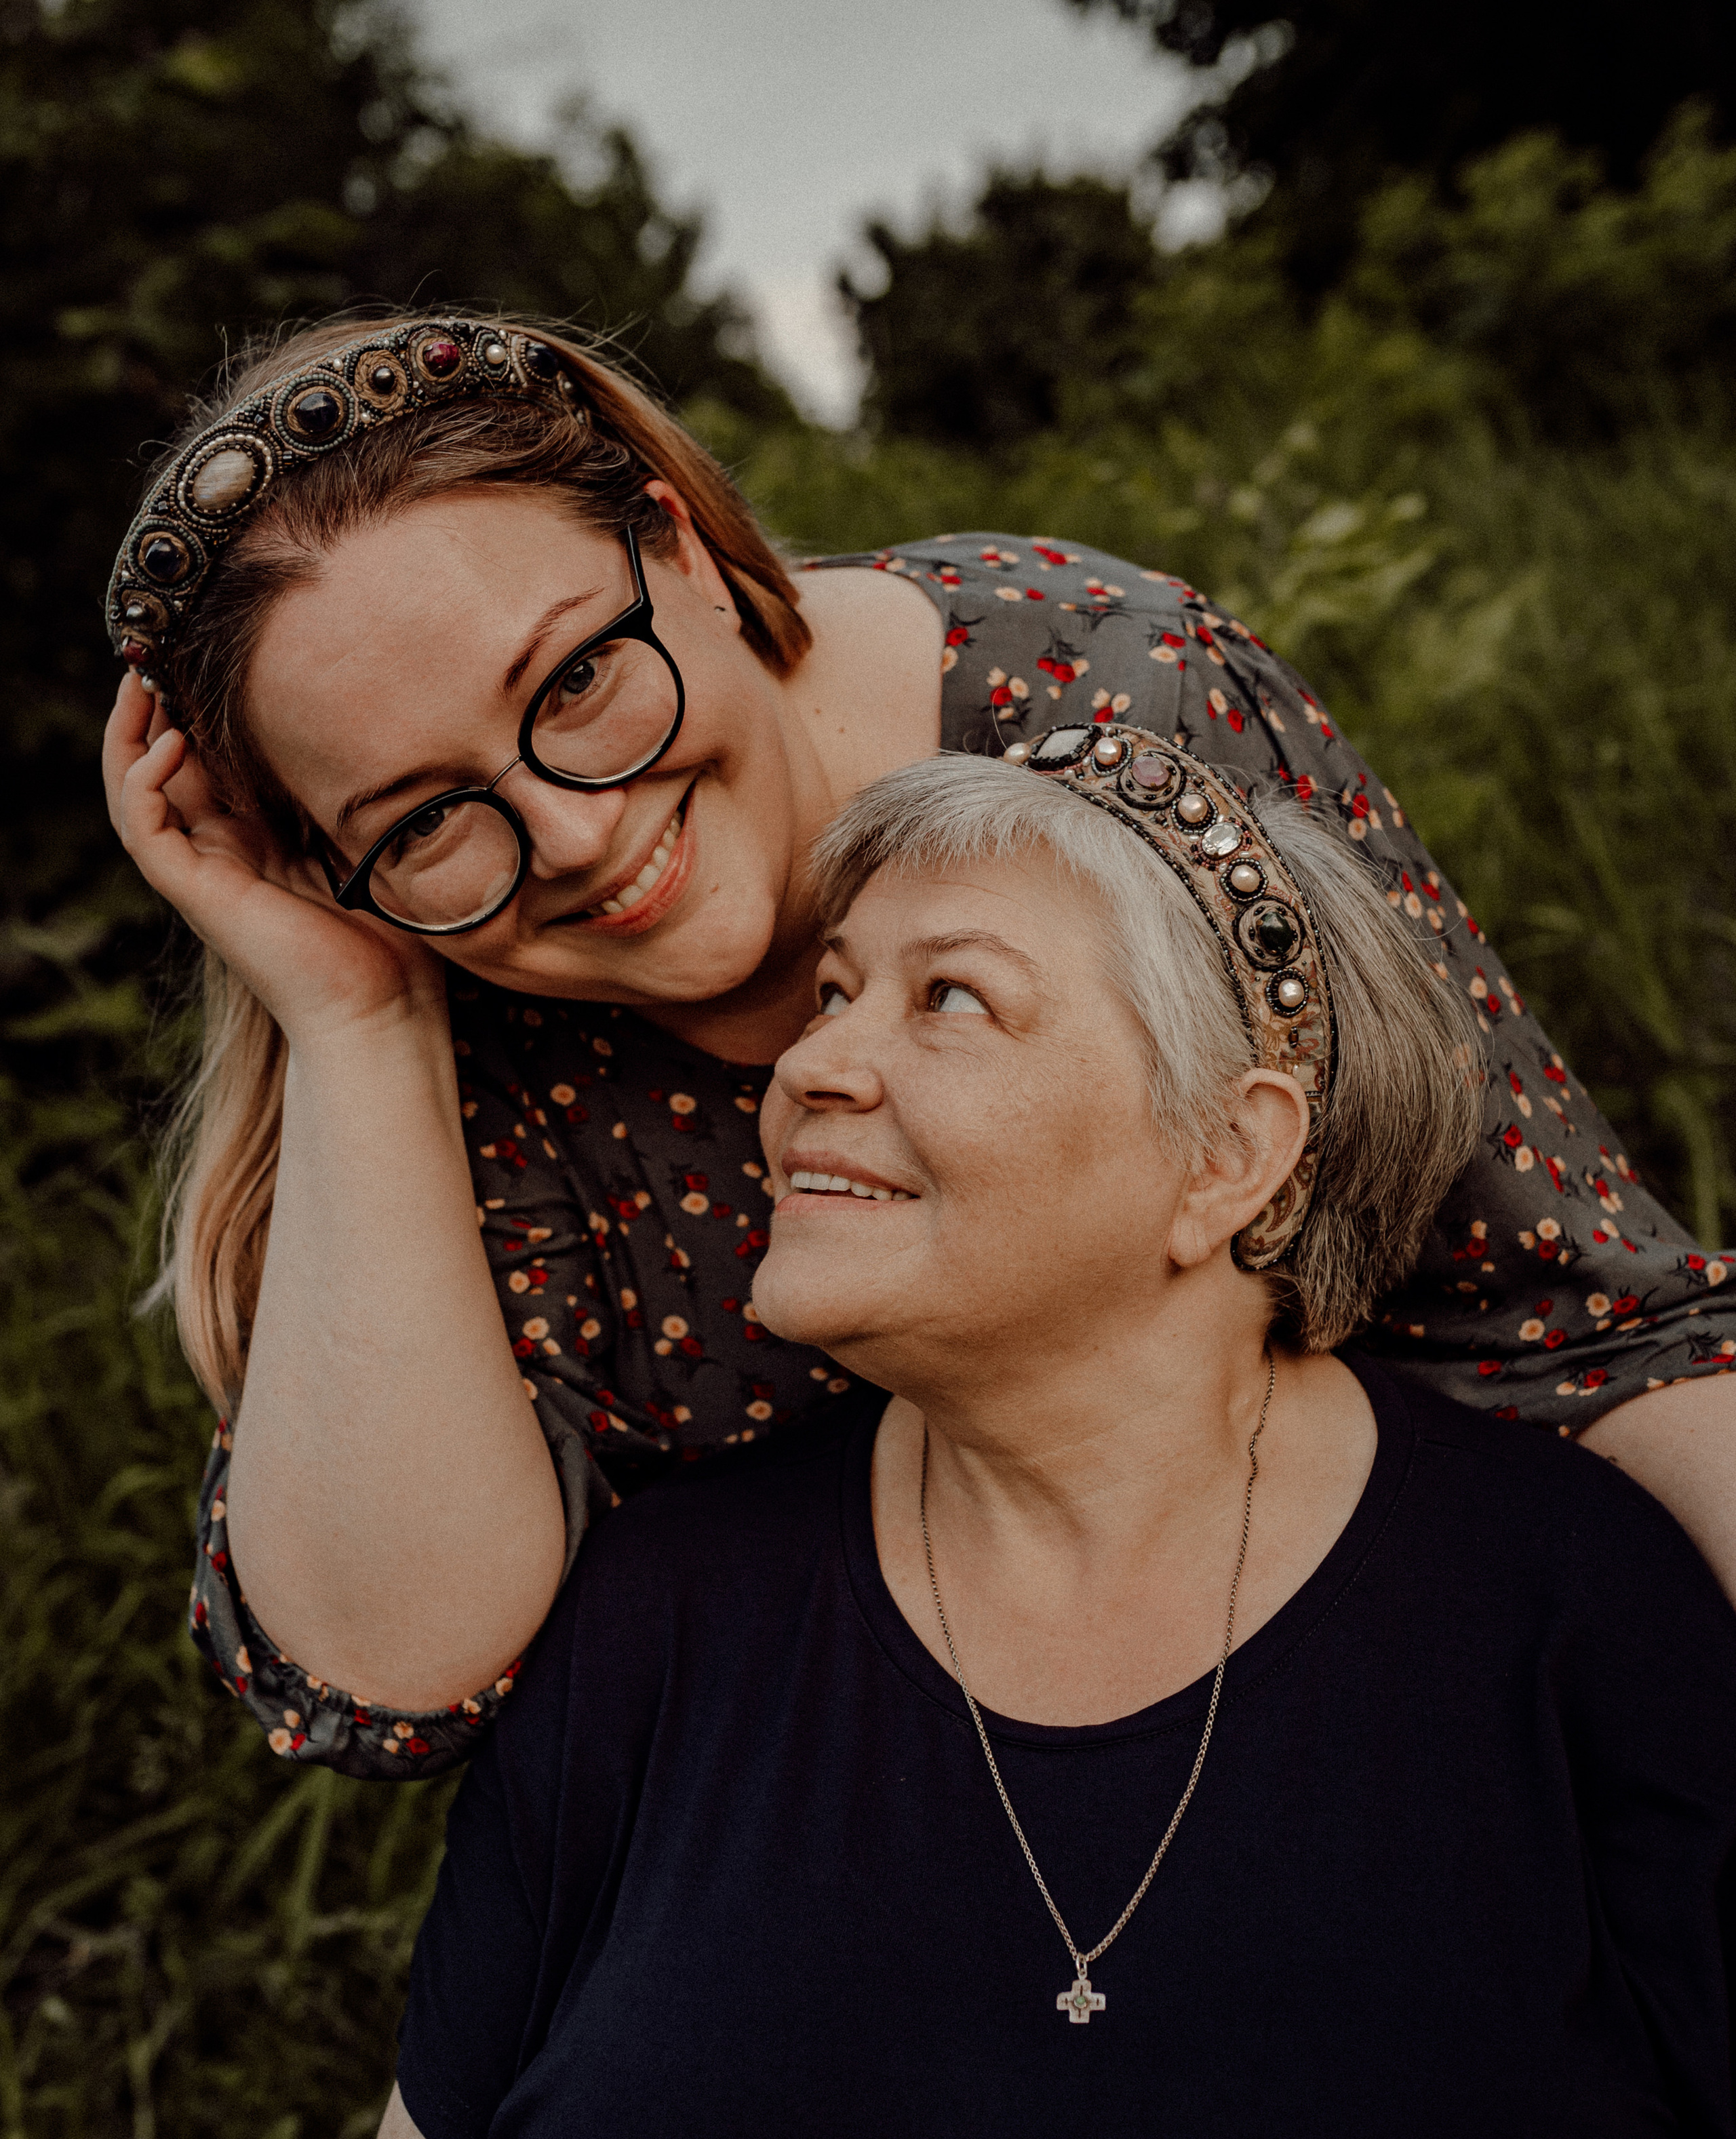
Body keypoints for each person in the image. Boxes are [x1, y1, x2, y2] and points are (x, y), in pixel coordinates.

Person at [312, 741, 1736, 2139]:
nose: (812, 1067)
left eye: (949, 1001)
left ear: (1227, 1157)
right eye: (832, 997)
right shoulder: (658, 1622)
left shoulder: (1582, 1613)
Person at [102, 312, 1736, 1772]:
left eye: (581, 677)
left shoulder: (1110, 705)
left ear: (678, 547)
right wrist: (361, 1019)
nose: (576, 836)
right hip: (808, 1786)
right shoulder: (435, 968)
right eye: (420, 818)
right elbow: (398, 1668)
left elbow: (1576, 1326)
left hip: (1289, 1680)